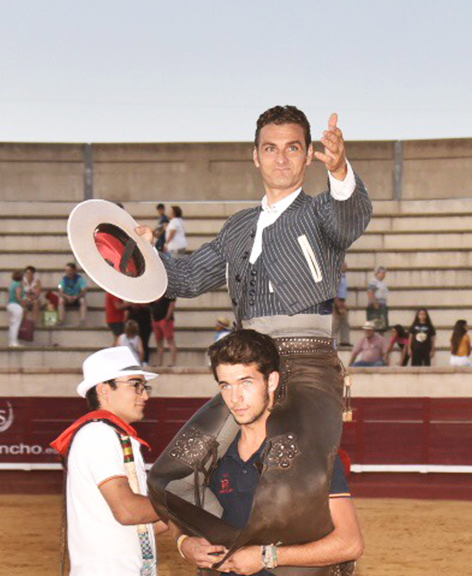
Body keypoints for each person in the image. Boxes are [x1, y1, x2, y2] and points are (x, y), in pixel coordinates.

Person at [138, 106, 370, 560]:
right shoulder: (238, 227)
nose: (281, 158)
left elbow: (350, 219)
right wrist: (148, 253)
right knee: (170, 476)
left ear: (307, 158)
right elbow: (184, 279)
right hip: (247, 368)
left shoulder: (322, 210)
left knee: (288, 484)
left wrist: (340, 170)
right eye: (271, 148)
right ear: (255, 157)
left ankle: (282, 562)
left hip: (306, 367)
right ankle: (229, 551)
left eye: (292, 148)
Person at [171, 331, 364, 574]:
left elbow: (350, 543)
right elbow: (177, 507)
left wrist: (267, 556)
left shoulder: (310, 453)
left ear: (271, 381)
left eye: (246, 382)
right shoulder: (209, 453)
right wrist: (183, 543)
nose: (235, 398)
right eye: (225, 385)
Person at [48, 346, 166, 576]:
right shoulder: (99, 435)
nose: (145, 395)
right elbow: (127, 511)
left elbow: (142, 526)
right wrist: (182, 502)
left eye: (145, 387)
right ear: (104, 390)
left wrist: (190, 515)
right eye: (135, 385)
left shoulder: (111, 434)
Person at [151, 295, 177, 367]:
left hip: (165, 319)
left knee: (170, 340)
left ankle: (172, 362)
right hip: (156, 319)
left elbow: (172, 304)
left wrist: (167, 317)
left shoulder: (170, 292)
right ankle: (159, 362)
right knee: (159, 342)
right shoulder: (156, 293)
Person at [332, 260, 351, 347]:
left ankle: (345, 341)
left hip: (343, 301)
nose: (346, 267)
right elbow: (334, 290)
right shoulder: (336, 277)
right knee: (335, 323)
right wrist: (337, 301)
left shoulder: (343, 277)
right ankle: (333, 343)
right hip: (337, 301)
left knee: (344, 322)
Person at [367, 266, 389, 331]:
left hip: (383, 304)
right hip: (376, 305)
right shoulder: (374, 282)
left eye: (384, 273)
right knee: (375, 324)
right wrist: (374, 303)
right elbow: (370, 292)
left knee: (383, 325)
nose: (384, 274)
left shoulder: (383, 283)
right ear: (377, 273)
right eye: (382, 273)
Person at [6, 269, 25, 348]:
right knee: (16, 324)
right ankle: (14, 342)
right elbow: (18, 296)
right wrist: (22, 303)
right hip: (16, 306)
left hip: (10, 304)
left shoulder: (12, 284)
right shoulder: (19, 284)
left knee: (11, 324)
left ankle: (11, 342)